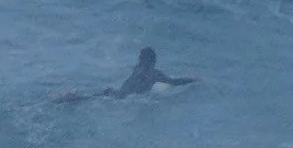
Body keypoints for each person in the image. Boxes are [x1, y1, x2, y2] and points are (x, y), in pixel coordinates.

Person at [59, 47, 199, 102]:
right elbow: (174, 82)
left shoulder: (137, 68)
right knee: (92, 100)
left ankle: (70, 97)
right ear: (154, 61)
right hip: (125, 99)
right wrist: (193, 79)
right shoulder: (155, 74)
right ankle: (73, 99)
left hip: (115, 92)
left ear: (140, 60)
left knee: (93, 97)